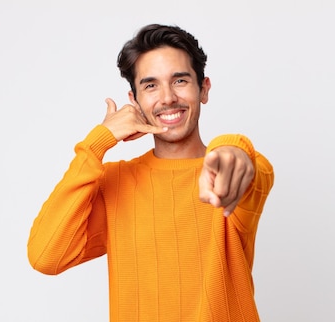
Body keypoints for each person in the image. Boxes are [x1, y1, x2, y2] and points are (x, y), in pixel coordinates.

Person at [27, 23, 275, 322]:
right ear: (135, 101)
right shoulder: (115, 183)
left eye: (180, 80)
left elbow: (244, 165)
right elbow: (45, 257)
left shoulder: (231, 170)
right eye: (151, 85)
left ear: (204, 89)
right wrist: (96, 144)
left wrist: (231, 148)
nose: (167, 97)